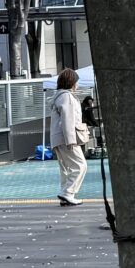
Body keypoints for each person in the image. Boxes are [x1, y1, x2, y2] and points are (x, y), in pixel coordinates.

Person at [48, 67, 89, 205]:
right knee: (80, 165)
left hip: (58, 138)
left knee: (67, 169)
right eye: (76, 81)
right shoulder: (67, 97)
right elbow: (68, 119)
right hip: (66, 138)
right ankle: (67, 193)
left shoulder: (59, 96)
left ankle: (65, 195)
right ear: (71, 82)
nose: (77, 84)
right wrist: (71, 140)